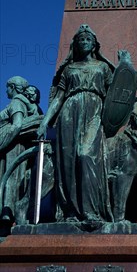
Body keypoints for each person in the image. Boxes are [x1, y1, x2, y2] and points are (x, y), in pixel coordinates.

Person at [37, 25, 115, 223]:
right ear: (75, 44)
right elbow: (59, 97)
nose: (84, 42)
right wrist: (44, 122)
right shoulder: (69, 69)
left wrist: (125, 67)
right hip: (69, 112)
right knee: (68, 161)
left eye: (88, 39)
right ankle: (70, 211)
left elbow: (116, 95)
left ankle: (91, 210)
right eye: (80, 39)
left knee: (85, 155)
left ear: (94, 44)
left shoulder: (102, 67)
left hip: (94, 110)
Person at [0, 76, 40, 221]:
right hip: (15, 145)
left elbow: (17, 125)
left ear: (13, 87)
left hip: (13, 145)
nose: (6, 91)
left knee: (12, 178)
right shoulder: (23, 103)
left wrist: (2, 141)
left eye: (7, 87)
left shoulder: (16, 102)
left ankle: (7, 212)